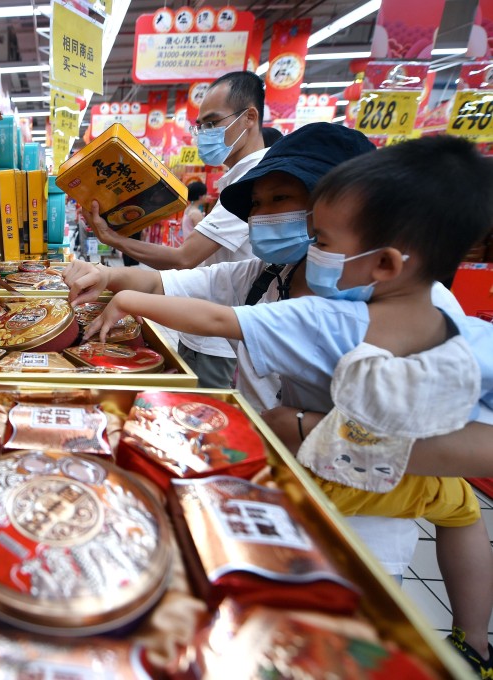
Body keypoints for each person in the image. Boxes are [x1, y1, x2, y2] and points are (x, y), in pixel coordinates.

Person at [82, 135, 493, 676]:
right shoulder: (264, 276)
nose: (264, 216)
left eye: (284, 200)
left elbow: (475, 442)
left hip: (359, 518)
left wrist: (312, 431)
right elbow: (175, 282)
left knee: (325, 645)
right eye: (256, 203)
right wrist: (108, 275)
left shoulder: (405, 310)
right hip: (274, 487)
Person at [85, 71, 268, 389]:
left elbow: (184, 258)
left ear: (249, 117)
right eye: (201, 126)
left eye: (212, 123)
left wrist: (112, 239)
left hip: (219, 337)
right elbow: (183, 275)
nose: (204, 134)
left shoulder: (255, 183)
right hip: (204, 324)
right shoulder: (236, 182)